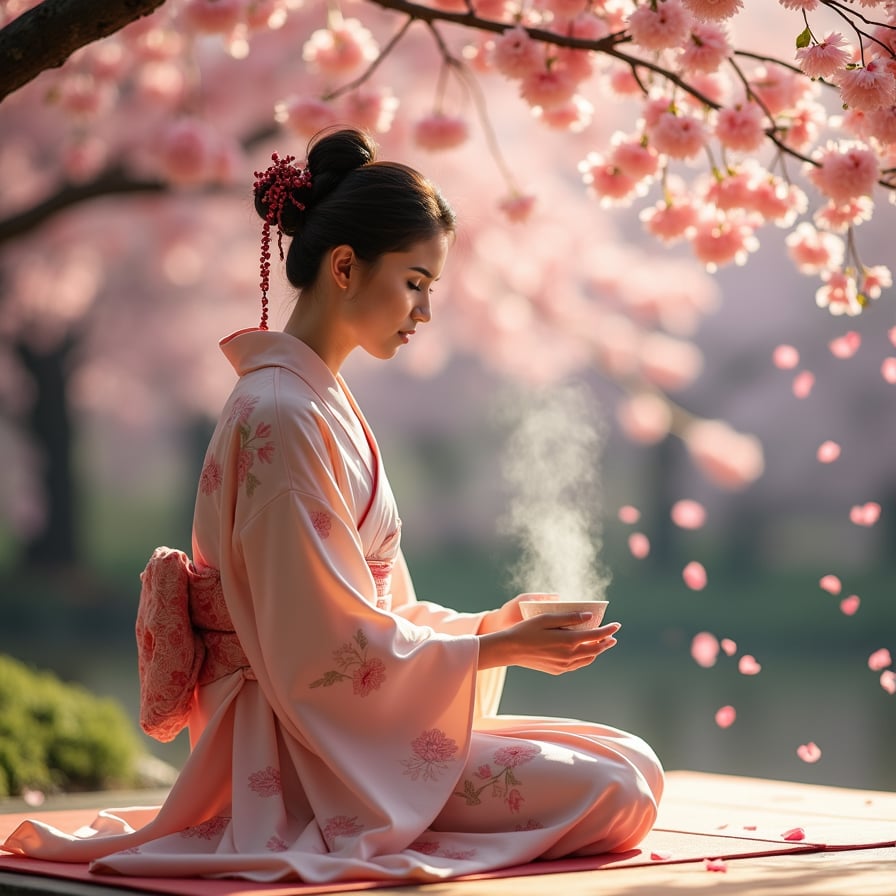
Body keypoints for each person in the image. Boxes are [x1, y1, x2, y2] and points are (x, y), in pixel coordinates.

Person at [2, 127, 663, 883]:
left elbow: (366, 613)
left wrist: (489, 627)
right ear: (345, 267)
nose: (422, 310)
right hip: (292, 744)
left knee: (628, 760)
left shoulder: (312, 400)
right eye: (414, 281)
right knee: (615, 789)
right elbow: (318, 645)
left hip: (336, 722)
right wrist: (493, 651)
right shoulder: (285, 413)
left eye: (431, 288)